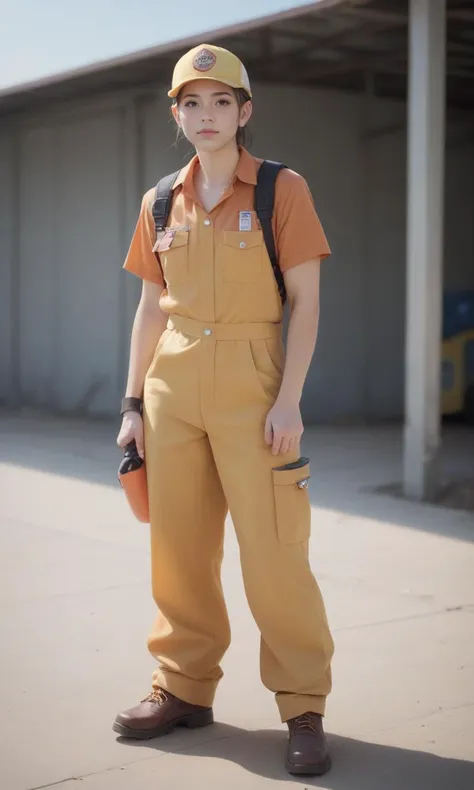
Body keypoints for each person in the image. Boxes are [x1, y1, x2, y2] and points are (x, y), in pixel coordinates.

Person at [113, 43, 335, 777]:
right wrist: (134, 403)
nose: (205, 116)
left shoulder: (281, 189)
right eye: (191, 104)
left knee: (274, 555)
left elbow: (304, 303)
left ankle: (303, 704)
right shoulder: (157, 201)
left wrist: (290, 399)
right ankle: (182, 688)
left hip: (255, 387)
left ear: (244, 111)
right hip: (174, 386)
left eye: (220, 102)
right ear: (176, 114)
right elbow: (149, 308)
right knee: (178, 552)